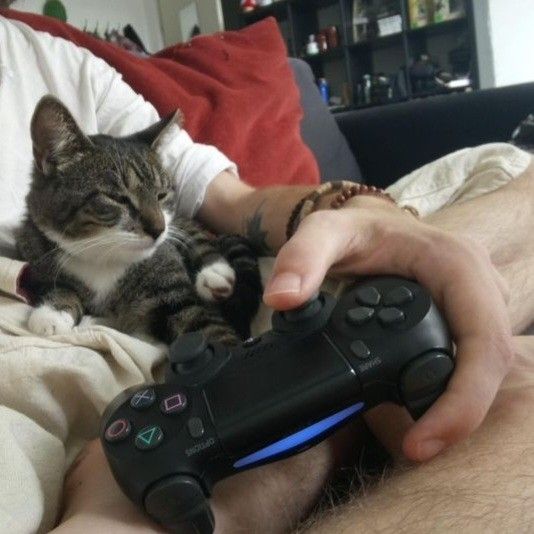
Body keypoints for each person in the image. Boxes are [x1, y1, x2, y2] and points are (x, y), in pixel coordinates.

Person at [0, 14, 533, 534]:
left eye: (157, 202)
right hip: (35, 342)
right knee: (507, 395)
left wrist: (359, 216)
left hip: (208, 316)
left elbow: (230, 198)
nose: (154, 223)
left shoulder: (50, 58)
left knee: (505, 174)